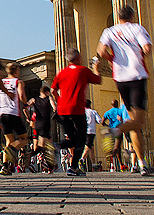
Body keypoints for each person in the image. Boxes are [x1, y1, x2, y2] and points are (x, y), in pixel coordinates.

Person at [97, 5, 154, 176]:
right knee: (138, 122)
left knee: (135, 126)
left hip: (120, 79)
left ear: (118, 17)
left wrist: (112, 58)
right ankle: (114, 131)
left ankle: (142, 164)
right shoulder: (137, 28)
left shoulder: (109, 31)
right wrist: (141, 51)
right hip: (137, 76)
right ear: (132, 15)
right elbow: (147, 49)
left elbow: (101, 51)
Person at [51, 48, 101, 176]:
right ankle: (73, 167)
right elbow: (98, 79)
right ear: (78, 58)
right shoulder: (83, 70)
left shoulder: (61, 73)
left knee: (72, 139)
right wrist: (96, 67)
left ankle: (56, 145)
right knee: (81, 139)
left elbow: (52, 90)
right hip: (77, 109)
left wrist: (58, 102)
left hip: (63, 110)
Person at [0, 62, 27, 175]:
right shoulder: (18, 82)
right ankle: (11, 150)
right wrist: (26, 103)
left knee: (9, 141)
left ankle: (4, 166)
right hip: (13, 113)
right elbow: (21, 95)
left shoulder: (1, 83)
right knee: (24, 139)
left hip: (2, 114)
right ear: (16, 71)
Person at [26, 86, 56, 172]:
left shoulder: (34, 99)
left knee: (46, 145)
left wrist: (29, 118)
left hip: (37, 124)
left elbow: (25, 107)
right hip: (45, 124)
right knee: (42, 146)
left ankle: (48, 165)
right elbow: (54, 107)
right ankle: (31, 157)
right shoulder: (48, 98)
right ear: (47, 92)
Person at [82, 100, 101, 170]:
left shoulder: (82, 112)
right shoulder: (93, 112)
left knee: (91, 147)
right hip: (91, 131)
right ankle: (82, 159)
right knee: (88, 146)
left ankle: (93, 163)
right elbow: (99, 120)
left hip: (83, 131)